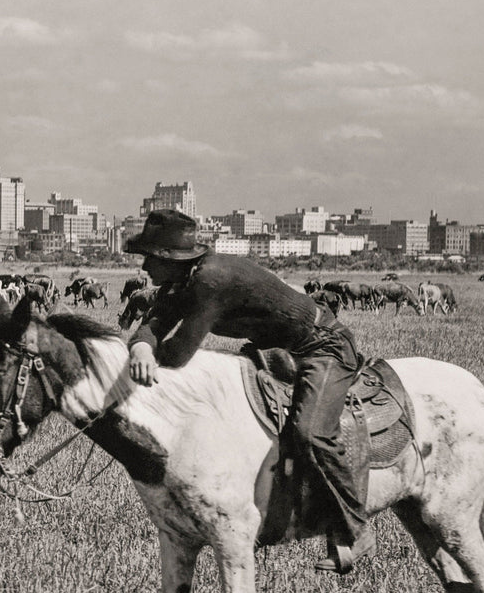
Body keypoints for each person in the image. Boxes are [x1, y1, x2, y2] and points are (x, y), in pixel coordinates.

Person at [124, 208, 373, 573]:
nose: (144, 266)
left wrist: (151, 351)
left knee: (311, 432)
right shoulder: (181, 282)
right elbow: (154, 323)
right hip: (274, 350)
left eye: (149, 257)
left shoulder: (211, 279)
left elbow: (179, 351)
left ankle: (356, 528)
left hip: (322, 347)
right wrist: (141, 348)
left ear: (169, 258)